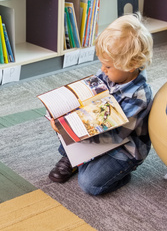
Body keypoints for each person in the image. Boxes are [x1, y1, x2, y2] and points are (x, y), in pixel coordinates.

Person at [48, 13, 154, 195]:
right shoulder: (106, 74)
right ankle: (75, 158)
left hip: (122, 147)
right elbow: (88, 99)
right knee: (66, 120)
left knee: (90, 184)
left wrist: (77, 134)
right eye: (103, 64)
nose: (103, 70)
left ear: (131, 65)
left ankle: (118, 173)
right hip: (96, 129)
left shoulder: (138, 96)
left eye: (108, 66)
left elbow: (115, 136)